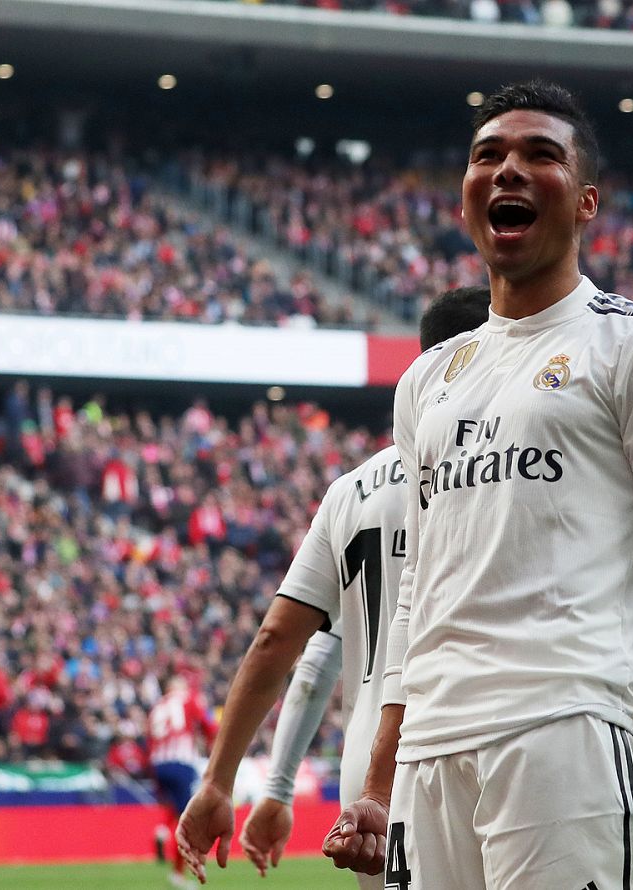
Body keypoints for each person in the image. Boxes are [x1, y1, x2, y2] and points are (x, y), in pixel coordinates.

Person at [324, 79, 633, 889]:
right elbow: (418, 592)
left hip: (568, 731)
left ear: (586, 203)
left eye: (539, 155)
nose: (509, 169)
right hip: (432, 748)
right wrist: (379, 779)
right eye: (489, 156)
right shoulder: (430, 379)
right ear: (466, 198)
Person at [170, 287, 493, 884]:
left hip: (371, 776)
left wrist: (228, 782)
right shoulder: (511, 467)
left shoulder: (352, 491)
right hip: (488, 742)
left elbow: (284, 644)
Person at [150, 676, 218, 887]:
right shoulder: (189, 698)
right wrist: (213, 750)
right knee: (188, 818)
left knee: (176, 807)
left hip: (158, 764)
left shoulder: (157, 706)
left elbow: (149, 738)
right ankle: (178, 874)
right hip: (180, 762)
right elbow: (209, 726)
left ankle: (162, 829)